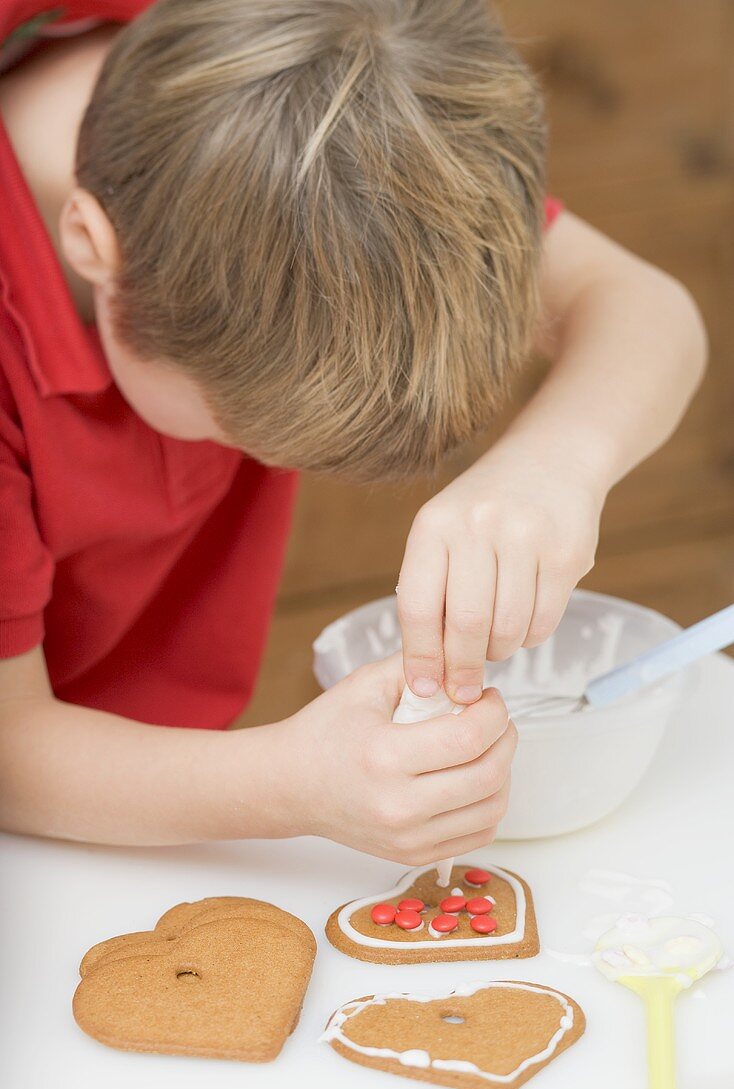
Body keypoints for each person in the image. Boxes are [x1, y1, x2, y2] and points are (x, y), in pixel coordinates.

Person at [0, 1, 706, 861]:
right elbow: (10, 748)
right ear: (88, 242)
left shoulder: (317, 125)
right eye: (244, 427)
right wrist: (289, 784)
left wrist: (552, 466)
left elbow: (646, 308)